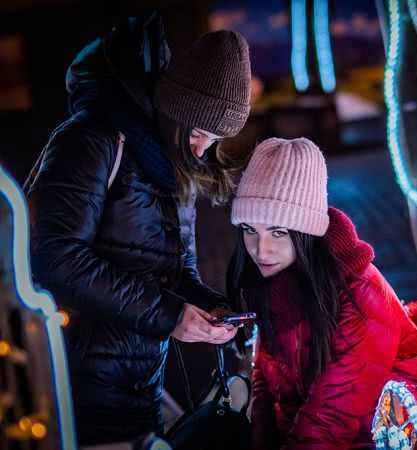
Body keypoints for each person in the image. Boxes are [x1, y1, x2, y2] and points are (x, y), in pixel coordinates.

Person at [24, 14, 251, 445]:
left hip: (140, 388)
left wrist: (210, 308)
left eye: (216, 140)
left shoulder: (177, 167)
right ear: (176, 111)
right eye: (200, 132)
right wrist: (168, 316)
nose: (203, 149)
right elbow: (54, 254)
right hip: (76, 387)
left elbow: (177, 272)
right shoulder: (92, 139)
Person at [226, 138, 417, 449]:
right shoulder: (273, 281)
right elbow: (264, 382)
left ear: (306, 231)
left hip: (383, 434)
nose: (261, 249)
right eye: (249, 229)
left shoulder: (359, 291)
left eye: (278, 232)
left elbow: (332, 416)